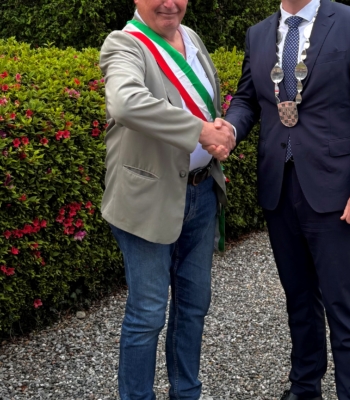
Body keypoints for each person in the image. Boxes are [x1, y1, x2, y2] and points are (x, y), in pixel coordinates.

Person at [211, 0, 350, 398]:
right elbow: (247, 100)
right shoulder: (259, 34)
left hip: (337, 191)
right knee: (298, 299)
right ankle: (305, 387)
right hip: (279, 187)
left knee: (343, 305)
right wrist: (230, 131)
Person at [99, 0, 235, 399]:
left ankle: (186, 393)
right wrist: (201, 131)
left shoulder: (191, 37)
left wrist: (221, 130)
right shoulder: (124, 44)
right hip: (148, 199)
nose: (169, 3)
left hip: (202, 192)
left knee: (194, 306)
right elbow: (125, 103)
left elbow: (205, 104)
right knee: (147, 313)